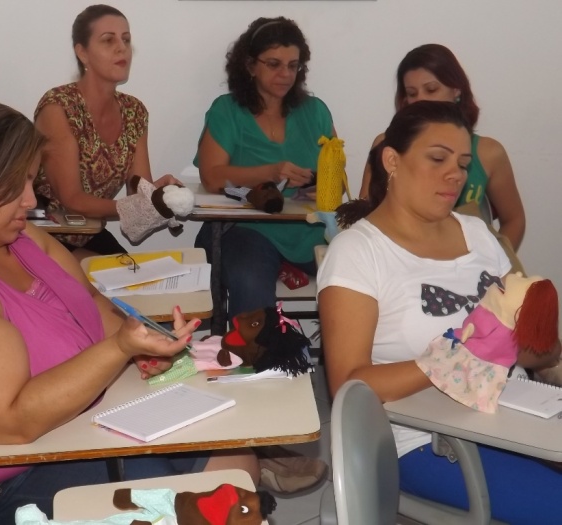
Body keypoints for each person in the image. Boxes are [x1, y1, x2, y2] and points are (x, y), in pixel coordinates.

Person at [0, 100, 258, 525]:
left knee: (235, 463)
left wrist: (146, 344)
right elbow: (12, 422)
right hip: (1, 479)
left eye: (31, 180)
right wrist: (119, 349)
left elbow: (93, 305)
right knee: (211, 505)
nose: (31, 199)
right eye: (17, 183)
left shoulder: (19, 240)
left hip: (73, 428)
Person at [318, 100, 562, 524]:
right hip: (428, 440)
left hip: (519, 415)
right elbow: (349, 386)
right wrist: (453, 358)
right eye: (437, 159)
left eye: (463, 164)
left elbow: (528, 347)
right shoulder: (358, 252)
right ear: (392, 161)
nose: (455, 174)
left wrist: (540, 342)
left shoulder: (478, 234)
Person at [194, 16, 334, 319]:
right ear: (250, 66)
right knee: (251, 282)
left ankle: (342, 348)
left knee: (355, 273)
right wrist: (270, 172)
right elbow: (212, 177)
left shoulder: (316, 112)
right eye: (273, 64)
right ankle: (257, 350)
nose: (285, 74)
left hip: (308, 229)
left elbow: (335, 175)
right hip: (245, 230)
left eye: (293, 66)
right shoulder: (227, 110)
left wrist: (323, 187)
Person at [34, 4, 178, 260]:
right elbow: (72, 199)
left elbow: (137, 190)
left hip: (89, 232)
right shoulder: (59, 107)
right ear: (83, 53)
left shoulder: (134, 111)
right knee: (109, 278)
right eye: (108, 40)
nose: (122, 48)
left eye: (126, 39)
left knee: (138, 276)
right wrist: (132, 208)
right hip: (44, 234)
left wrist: (160, 194)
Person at [358, 44, 525, 251]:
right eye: (412, 93)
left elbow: (514, 219)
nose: (420, 99)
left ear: (456, 90)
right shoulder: (386, 144)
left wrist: (495, 260)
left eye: (431, 89)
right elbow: (365, 210)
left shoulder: (489, 152)